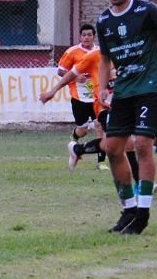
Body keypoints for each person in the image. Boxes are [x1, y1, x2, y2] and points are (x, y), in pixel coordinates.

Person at [40, 47, 141, 231]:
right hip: (104, 108)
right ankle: (135, 202)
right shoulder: (94, 56)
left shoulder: (129, 52)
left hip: (127, 106)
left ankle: (79, 149)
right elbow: (71, 73)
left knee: (124, 146)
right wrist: (53, 91)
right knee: (126, 144)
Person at [96, 0, 157, 235]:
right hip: (123, 91)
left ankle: (143, 214)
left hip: (150, 87)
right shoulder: (103, 21)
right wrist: (101, 87)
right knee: (111, 148)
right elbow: (105, 58)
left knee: (143, 144)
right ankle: (129, 210)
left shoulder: (147, 12)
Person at [56, 24, 101, 167]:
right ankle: (74, 141)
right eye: (84, 35)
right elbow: (61, 71)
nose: (86, 37)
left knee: (101, 127)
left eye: (89, 35)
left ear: (94, 36)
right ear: (80, 37)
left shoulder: (100, 51)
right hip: (79, 97)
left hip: (97, 97)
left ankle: (101, 163)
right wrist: (75, 77)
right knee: (83, 130)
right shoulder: (72, 52)